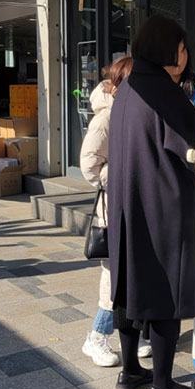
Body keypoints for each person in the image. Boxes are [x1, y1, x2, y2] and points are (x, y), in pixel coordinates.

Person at [107, 15, 195, 389]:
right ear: (169, 50)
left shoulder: (129, 88)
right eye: (182, 48)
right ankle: (162, 385)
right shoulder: (163, 91)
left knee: (127, 287)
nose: (186, 56)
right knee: (167, 290)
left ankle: (130, 370)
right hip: (161, 207)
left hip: (128, 203)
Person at [79, 57, 152, 367]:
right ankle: (96, 337)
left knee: (136, 275)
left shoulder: (134, 112)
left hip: (139, 206)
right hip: (115, 209)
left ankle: (132, 335)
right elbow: (89, 165)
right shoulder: (107, 117)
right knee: (114, 279)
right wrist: (122, 174)